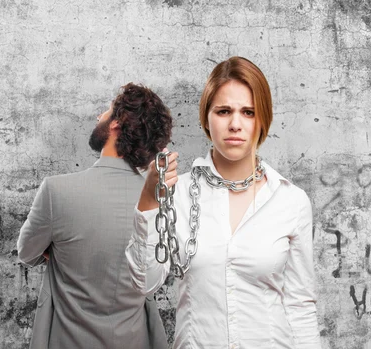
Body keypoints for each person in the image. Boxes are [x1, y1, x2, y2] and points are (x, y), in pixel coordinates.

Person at [126, 57, 321, 348]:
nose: (235, 124)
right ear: (206, 118)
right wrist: (148, 199)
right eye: (224, 111)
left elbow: (300, 305)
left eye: (248, 112)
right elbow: (145, 283)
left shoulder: (290, 201)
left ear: (262, 119)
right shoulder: (178, 195)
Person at [18, 83, 173, 349]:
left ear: (117, 124)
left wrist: (59, 250)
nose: (99, 116)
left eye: (107, 110)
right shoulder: (161, 202)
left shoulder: (57, 190)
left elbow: (26, 253)